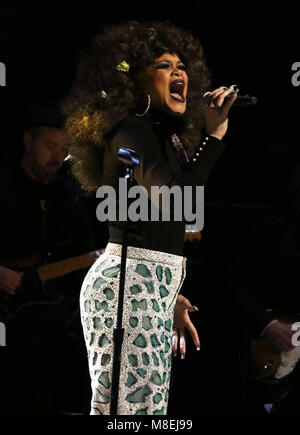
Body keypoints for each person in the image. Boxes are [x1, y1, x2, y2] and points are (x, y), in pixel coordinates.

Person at [62, 20, 237, 415]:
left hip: (149, 294)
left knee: (145, 411)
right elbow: (179, 197)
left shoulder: (165, 138)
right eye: (163, 65)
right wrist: (216, 137)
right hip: (125, 293)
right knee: (131, 412)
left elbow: (166, 221)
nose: (179, 72)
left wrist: (169, 294)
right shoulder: (132, 131)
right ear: (136, 83)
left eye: (181, 64)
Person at [0, 101, 96, 414]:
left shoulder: (67, 195)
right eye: (50, 146)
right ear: (28, 141)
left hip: (46, 319)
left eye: (63, 148)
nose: (58, 156)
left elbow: (82, 251)